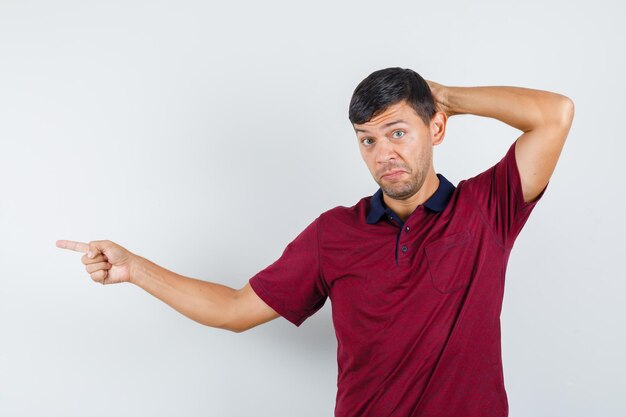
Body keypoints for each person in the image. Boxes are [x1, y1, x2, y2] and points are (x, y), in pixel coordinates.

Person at [56, 67, 574, 417]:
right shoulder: (334, 234)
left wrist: (446, 97)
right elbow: (235, 309)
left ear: (435, 128)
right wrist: (136, 269)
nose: (382, 153)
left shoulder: (486, 209)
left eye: (398, 132)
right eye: (367, 139)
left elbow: (555, 114)